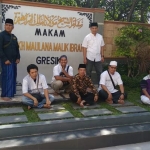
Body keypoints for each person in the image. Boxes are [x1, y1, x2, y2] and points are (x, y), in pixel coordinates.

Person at [0, 18, 20, 101]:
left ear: (13, 27)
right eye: (7, 25)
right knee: (6, 77)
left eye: (10, 25)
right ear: (4, 26)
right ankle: (4, 95)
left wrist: (18, 57)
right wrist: (5, 59)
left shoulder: (14, 37)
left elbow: (17, 49)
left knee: (12, 77)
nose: (8, 26)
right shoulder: (1, 35)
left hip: (13, 61)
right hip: (6, 61)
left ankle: (11, 93)